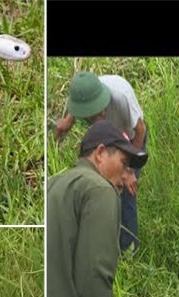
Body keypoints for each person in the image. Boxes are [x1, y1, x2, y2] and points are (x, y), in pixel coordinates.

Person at [47, 120, 152, 297]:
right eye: (125, 164)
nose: (129, 178)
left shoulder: (52, 185)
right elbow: (92, 282)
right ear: (100, 153)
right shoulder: (99, 189)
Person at [55, 71, 147, 252]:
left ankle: (129, 249)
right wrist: (67, 121)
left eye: (99, 111)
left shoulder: (121, 98)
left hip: (130, 138)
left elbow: (140, 130)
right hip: (107, 139)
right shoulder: (83, 94)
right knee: (103, 186)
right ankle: (104, 238)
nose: (97, 118)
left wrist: (128, 169)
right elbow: (76, 105)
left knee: (125, 190)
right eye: (91, 115)